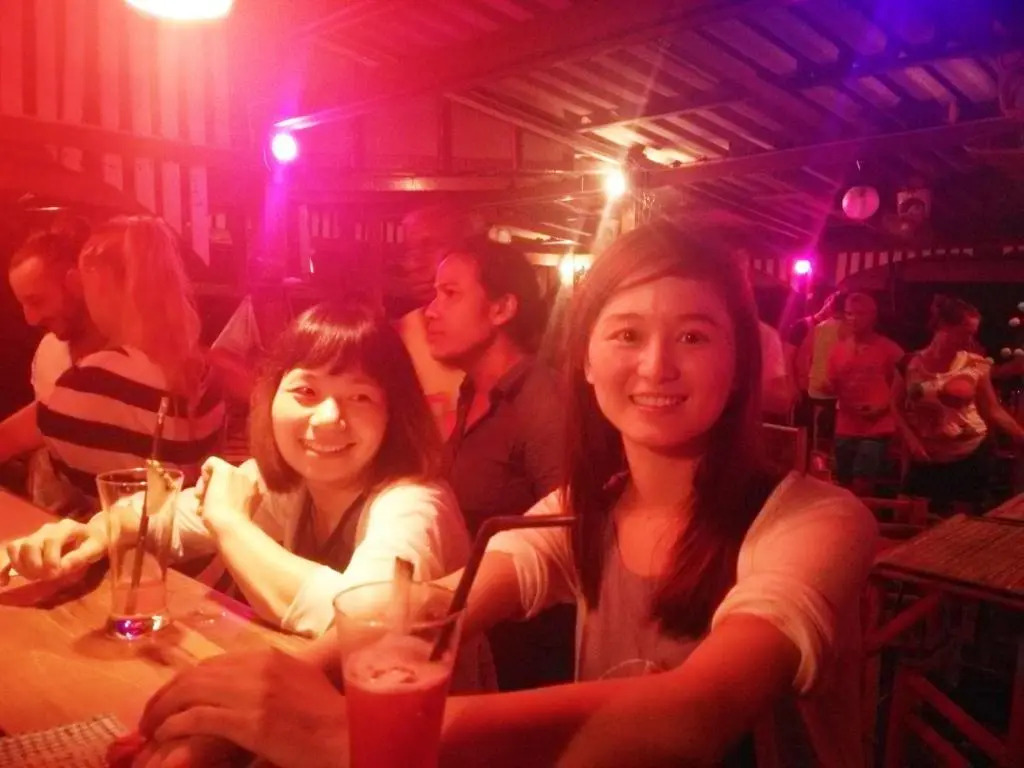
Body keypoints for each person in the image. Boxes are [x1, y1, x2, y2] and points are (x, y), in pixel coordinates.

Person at [137, 221, 877, 768]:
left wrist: (354, 733)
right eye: (626, 334)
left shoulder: (817, 521)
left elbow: (698, 713)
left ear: (739, 361)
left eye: (693, 337)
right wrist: (241, 706)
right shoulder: (579, 511)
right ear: (585, 360)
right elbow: (435, 606)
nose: (656, 366)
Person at [0, 302, 479, 647]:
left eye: (360, 397)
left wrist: (229, 521)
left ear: (395, 414)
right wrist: (88, 536)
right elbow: (159, 519)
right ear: (270, 398)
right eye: (306, 391)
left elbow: (363, 623)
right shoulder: (282, 481)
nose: (328, 418)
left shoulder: (415, 506)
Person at [424, 233, 573, 691]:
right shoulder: (472, 391)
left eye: (450, 294)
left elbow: (568, 534)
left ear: (502, 308)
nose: (430, 310)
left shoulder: (543, 403)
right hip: (468, 632)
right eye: (434, 294)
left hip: (525, 662)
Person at [33, 216, 225, 512]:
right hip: (191, 531)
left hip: (116, 534)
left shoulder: (89, 382)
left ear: (103, 286)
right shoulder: (206, 375)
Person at [0, 223, 105, 501]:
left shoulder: (128, 355)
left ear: (75, 283)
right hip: (51, 512)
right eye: (23, 305)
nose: (30, 319)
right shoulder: (49, 349)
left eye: (36, 301)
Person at [894, 295, 1024, 513]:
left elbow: (993, 410)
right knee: (915, 517)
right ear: (943, 327)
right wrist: (910, 439)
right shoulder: (908, 363)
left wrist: (1020, 435)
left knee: (961, 524)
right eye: (965, 332)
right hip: (927, 455)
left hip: (969, 453)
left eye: (973, 333)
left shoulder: (975, 364)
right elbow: (895, 406)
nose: (969, 340)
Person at [824, 293, 903, 496]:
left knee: (862, 483)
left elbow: (905, 386)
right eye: (849, 313)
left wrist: (884, 407)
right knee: (844, 483)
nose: (854, 319)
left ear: (873, 316)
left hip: (877, 428)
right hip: (846, 426)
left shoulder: (889, 349)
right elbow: (831, 384)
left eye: (860, 314)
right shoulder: (838, 350)